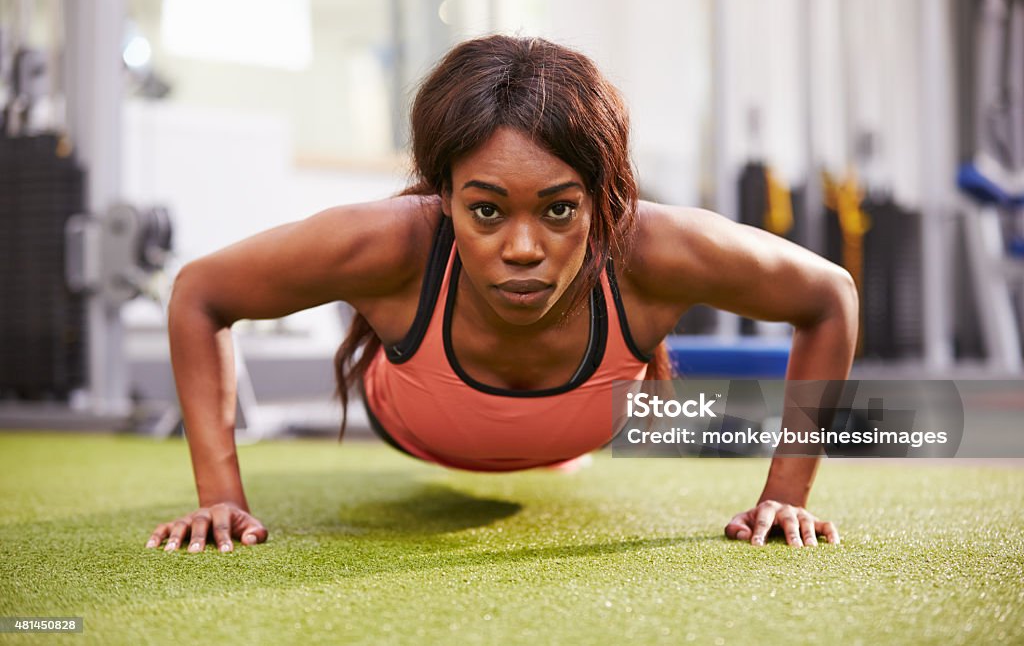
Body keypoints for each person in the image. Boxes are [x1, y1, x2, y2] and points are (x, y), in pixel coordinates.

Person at [146, 35, 855, 554]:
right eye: (486, 211)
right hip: (414, 413)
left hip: (582, 422)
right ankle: (376, 315)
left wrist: (785, 495)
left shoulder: (657, 250)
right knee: (375, 274)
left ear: (602, 200)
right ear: (444, 194)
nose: (522, 248)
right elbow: (200, 293)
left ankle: (550, 435)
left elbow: (829, 296)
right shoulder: (388, 241)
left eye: (558, 210)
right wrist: (220, 499)